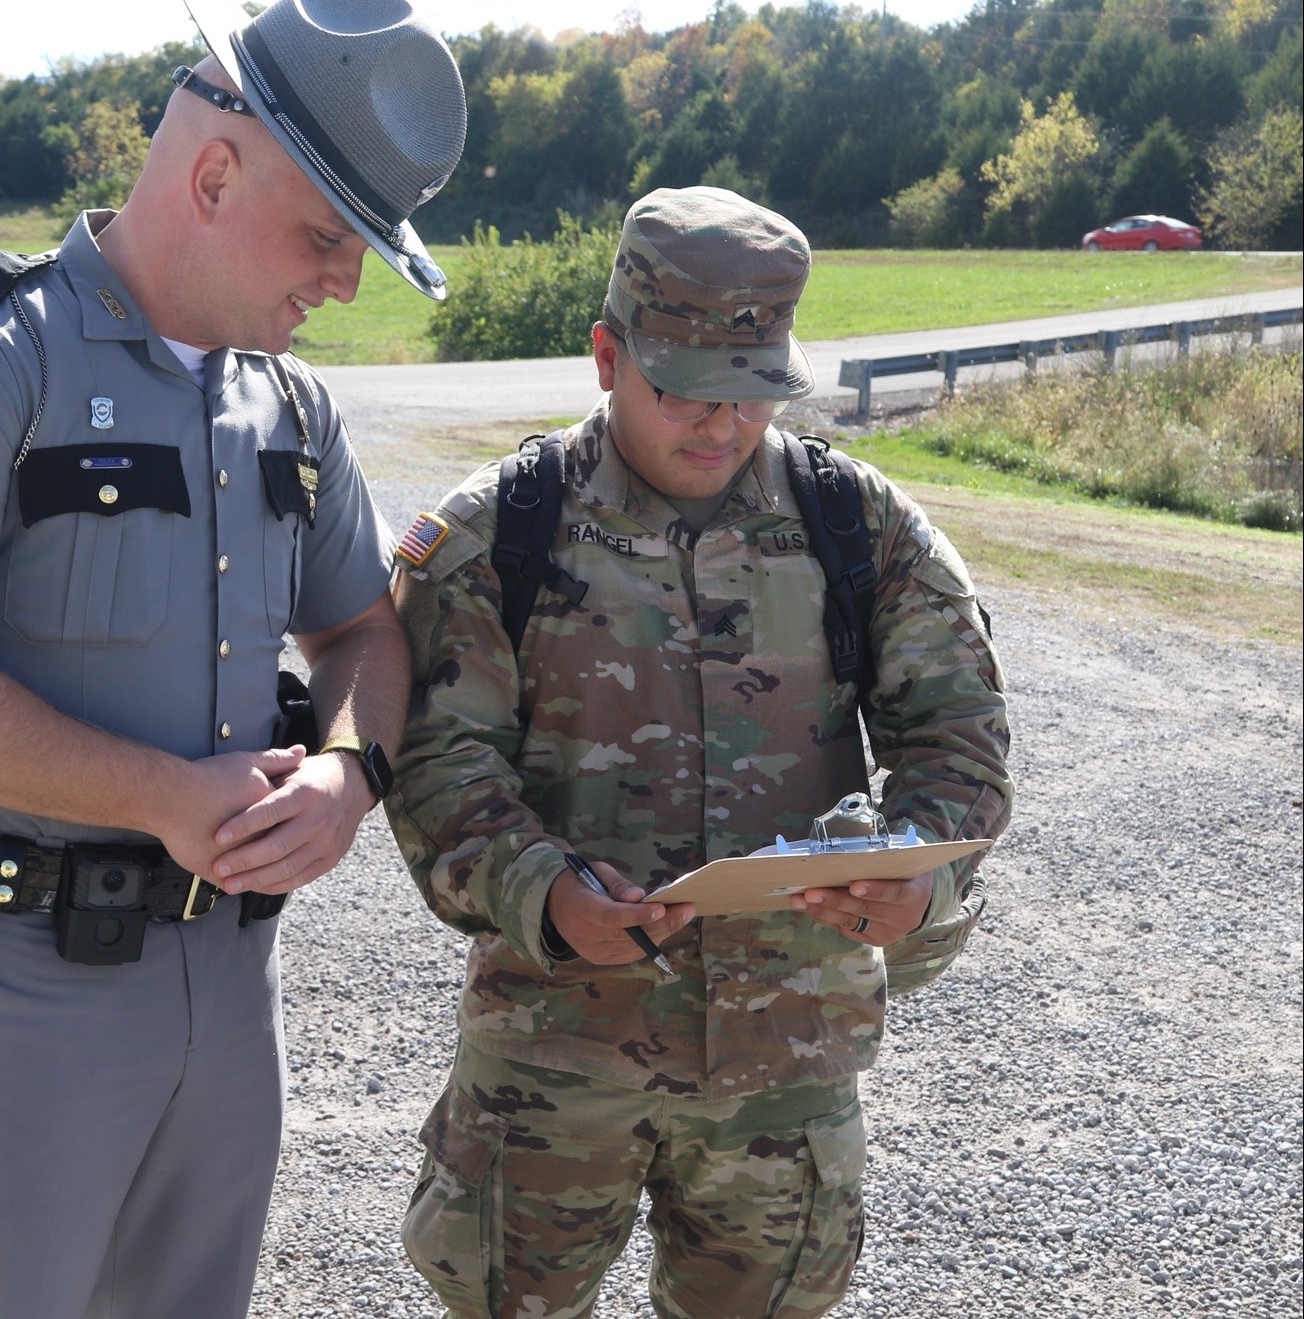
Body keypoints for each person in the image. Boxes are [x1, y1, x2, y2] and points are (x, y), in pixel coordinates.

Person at [0, 0, 465, 1316]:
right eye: (329, 236)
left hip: (231, 995)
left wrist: (346, 772)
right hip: (22, 989)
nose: (341, 281)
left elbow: (357, 632)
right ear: (213, 173)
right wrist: (157, 795)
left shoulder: (292, 406)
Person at [384, 186, 1012, 1319]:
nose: (719, 425)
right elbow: (435, 763)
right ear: (604, 356)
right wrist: (542, 892)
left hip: (786, 1069)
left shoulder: (855, 524)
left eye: (753, 392)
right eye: (681, 389)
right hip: (554, 1060)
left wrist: (919, 882)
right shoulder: (497, 533)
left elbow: (958, 741)